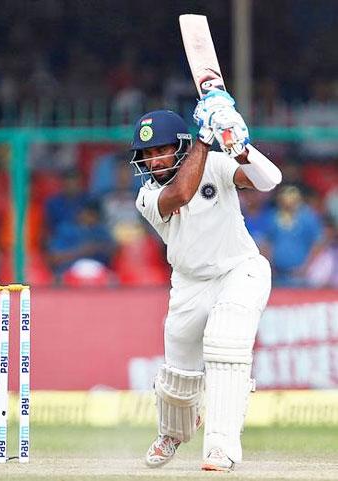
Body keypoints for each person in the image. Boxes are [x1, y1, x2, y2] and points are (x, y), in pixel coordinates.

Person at [130, 91, 282, 472]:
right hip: (188, 284)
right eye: (148, 154)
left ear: (179, 147)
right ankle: (173, 432)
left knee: (226, 345)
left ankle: (221, 446)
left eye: (161, 150)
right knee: (179, 374)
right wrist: (204, 135)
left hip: (240, 270)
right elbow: (182, 192)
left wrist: (241, 147)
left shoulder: (215, 164)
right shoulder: (148, 196)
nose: (154, 160)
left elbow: (270, 181)